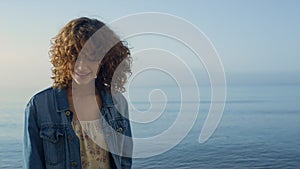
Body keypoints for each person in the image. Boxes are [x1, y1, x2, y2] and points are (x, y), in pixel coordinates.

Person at [23, 17, 133, 169]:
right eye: (75, 56)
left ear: (105, 60)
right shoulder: (40, 105)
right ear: (64, 57)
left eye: (91, 58)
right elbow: (33, 163)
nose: (81, 66)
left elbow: (125, 161)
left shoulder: (117, 103)